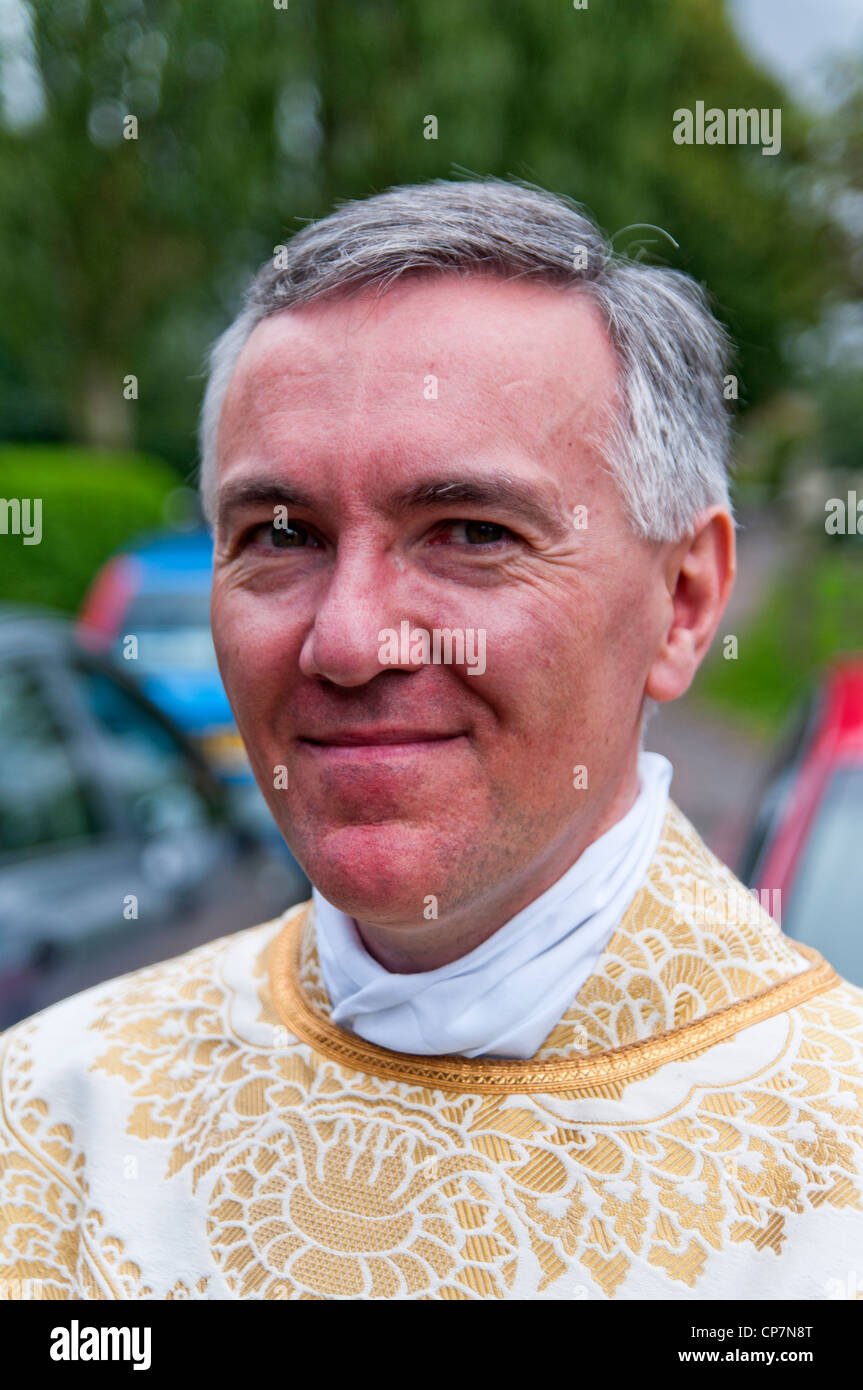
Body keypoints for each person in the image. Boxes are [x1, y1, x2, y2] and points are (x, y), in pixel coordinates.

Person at [2, 179, 861, 1302]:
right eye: (279, 534)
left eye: (470, 532)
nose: (349, 640)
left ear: (683, 601)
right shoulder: (49, 1126)